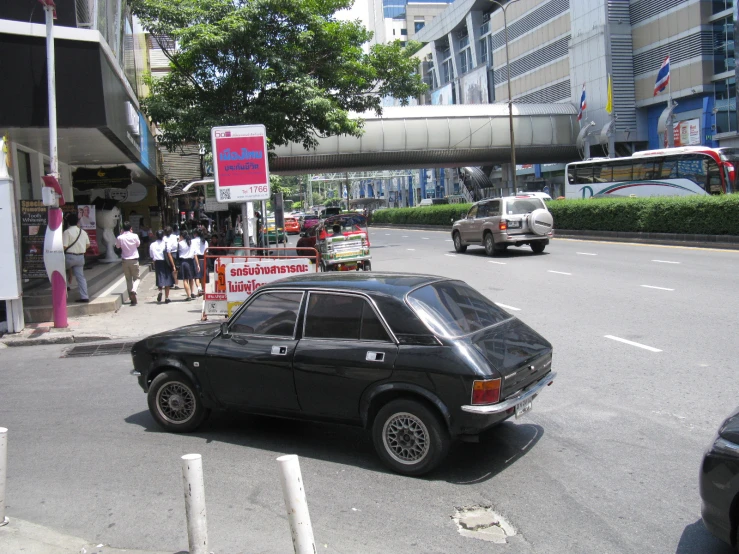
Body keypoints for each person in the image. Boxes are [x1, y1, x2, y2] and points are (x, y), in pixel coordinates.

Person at [63, 213, 91, 303]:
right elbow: (88, 245)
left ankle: (66, 287)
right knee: (80, 277)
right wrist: (80, 249)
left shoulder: (67, 232)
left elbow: (64, 246)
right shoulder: (83, 232)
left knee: (62, 270)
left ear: (68, 223)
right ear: (77, 222)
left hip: (69, 256)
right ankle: (84, 296)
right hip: (80, 257)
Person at [115, 221, 141, 306]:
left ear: (122, 229)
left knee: (128, 279)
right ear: (131, 228)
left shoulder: (120, 237)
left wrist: (121, 234)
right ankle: (134, 290)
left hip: (125, 260)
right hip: (134, 259)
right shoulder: (135, 236)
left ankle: (131, 298)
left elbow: (117, 246)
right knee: (137, 278)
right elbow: (138, 245)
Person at [150, 230, 175, 304]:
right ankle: (167, 297)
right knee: (167, 279)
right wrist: (173, 265)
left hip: (158, 262)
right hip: (166, 262)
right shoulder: (166, 244)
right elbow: (169, 255)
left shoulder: (152, 245)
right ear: (163, 236)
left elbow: (152, 256)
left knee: (160, 277)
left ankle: (160, 291)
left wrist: (154, 263)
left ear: (156, 236)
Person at [177, 230, 199, 300]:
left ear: (182, 236)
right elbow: (195, 254)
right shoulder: (192, 242)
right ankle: (192, 292)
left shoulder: (180, 243)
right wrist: (197, 264)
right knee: (191, 278)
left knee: (185, 279)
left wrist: (179, 240)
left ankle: (188, 296)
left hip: (184, 262)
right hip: (191, 261)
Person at [191, 229, 203, 295]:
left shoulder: (192, 241)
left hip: (195, 258)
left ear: (195, 234)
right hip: (203, 257)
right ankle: (203, 289)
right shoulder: (204, 241)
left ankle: (199, 288)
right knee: (203, 275)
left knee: (197, 275)